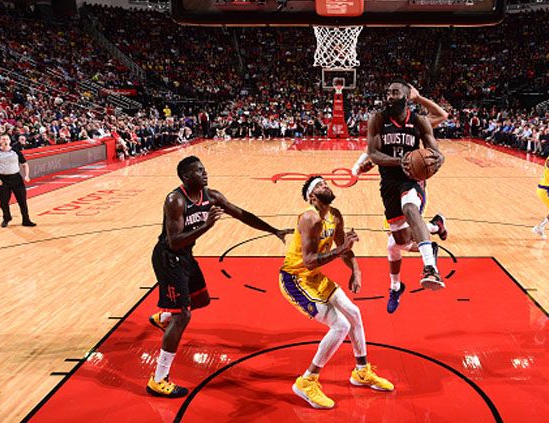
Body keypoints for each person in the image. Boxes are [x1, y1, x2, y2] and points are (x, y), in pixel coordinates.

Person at [146, 156, 290, 398]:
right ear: (185, 177)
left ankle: (164, 317)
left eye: (204, 169)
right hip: (168, 258)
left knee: (201, 300)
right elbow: (174, 240)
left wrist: (273, 230)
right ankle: (158, 379)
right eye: (198, 171)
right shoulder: (175, 200)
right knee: (183, 316)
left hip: (185, 256)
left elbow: (242, 214)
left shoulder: (212, 196)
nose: (204, 174)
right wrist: (207, 226)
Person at [281, 176, 393, 410]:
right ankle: (307, 381)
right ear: (312, 197)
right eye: (320, 185)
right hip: (295, 279)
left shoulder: (336, 215)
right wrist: (342, 248)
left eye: (326, 183)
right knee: (340, 325)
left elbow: (344, 250)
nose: (326, 185)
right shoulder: (310, 219)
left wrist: (356, 269)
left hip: (313, 278)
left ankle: (361, 372)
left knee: (354, 312)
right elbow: (310, 261)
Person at [351, 84, 449, 313]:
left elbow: (435, 150)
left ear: (406, 97)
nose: (389, 96)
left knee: (410, 209)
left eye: (394, 92)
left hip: (411, 180)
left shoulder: (419, 121)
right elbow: (373, 152)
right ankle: (435, 226)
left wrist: (438, 160)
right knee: (400, 243)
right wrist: (399, 160)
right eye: (388, 92)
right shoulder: (377, 118)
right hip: (388, 183)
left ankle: (430, 268)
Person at [0, 134, 36, 227]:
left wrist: (26, 175)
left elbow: (25, 164)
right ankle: (7, 217)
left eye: (7, 139)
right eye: (3, 139)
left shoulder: (16, 151)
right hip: (3, 179)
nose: (5, 140)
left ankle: (26, 220)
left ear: (10, 141)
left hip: (16, 178)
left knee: (22, 200)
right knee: (3, 201)